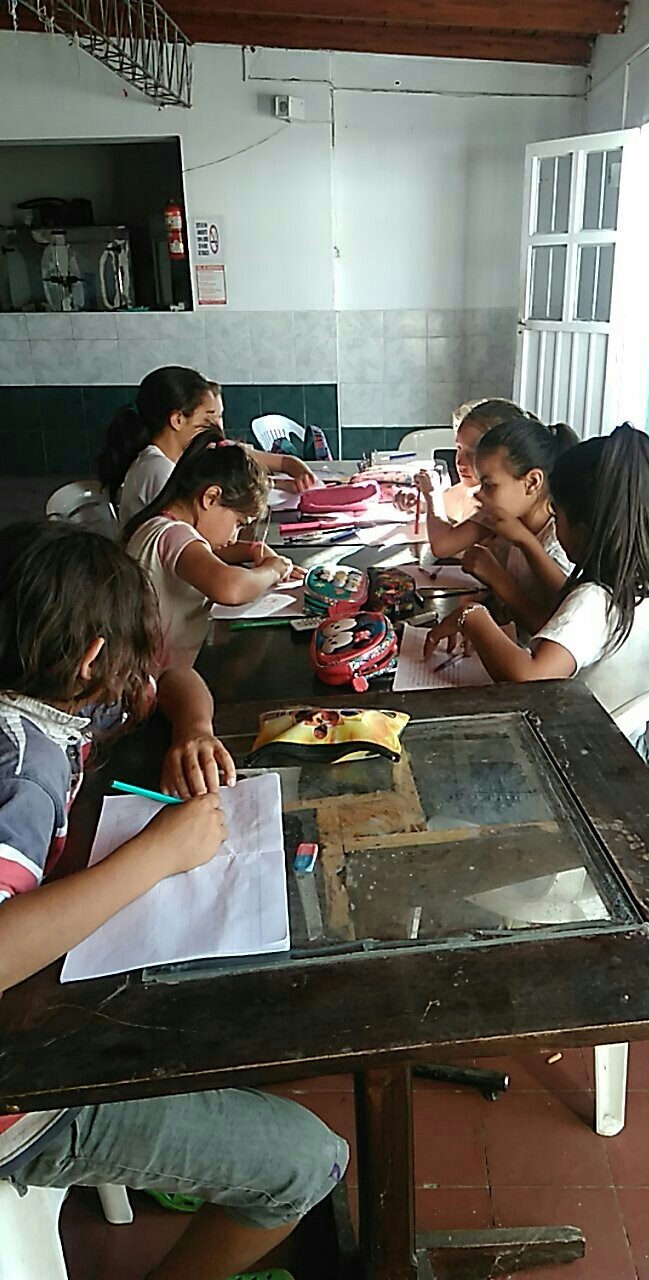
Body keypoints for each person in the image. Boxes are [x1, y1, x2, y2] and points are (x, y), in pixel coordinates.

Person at [0, 521, 348, 1280]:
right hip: (23, 1095)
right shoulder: (19, 770)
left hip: (42, 1024)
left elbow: (175, 679)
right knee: (309, 1161)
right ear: (93, 656)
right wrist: (155, 855)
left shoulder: (47, 689)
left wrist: (192, 729)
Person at [424, 424, 649, 724]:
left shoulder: (595, 599)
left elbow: (530, 679)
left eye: (557, 515)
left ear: (584, 526)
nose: (555, 527)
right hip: (630, 736)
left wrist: (472, 617)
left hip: (588, 744)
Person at [124, 432, 298, 670]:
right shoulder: (174, 535)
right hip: (155, 677)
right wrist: (273, 570)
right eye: (238, 523)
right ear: (211, 498)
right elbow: (230, 588)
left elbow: (210, 552)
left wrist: (254, 550)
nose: (234, 536)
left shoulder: (160, 525)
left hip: (158, 668)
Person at [96, 366, 316, 525]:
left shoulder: (176, 460)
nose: (217, 427)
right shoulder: (157, 469)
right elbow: (199, 538)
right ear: (178, 420)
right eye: (208, 418)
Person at [457, 415, 578, 636]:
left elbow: (557, 633)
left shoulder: (559, 545)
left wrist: (498, 579)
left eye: (489, 485)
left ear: (532, 482)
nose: (479, 495)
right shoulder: (514, 527)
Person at [397, 398, 532, 545]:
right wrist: (420, 503)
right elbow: (449, 503)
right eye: (459, 448)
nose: (460, 462)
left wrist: (431, 495)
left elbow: (443, 545)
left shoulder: (499, 504)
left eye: (473, 453)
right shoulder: (470, 489)